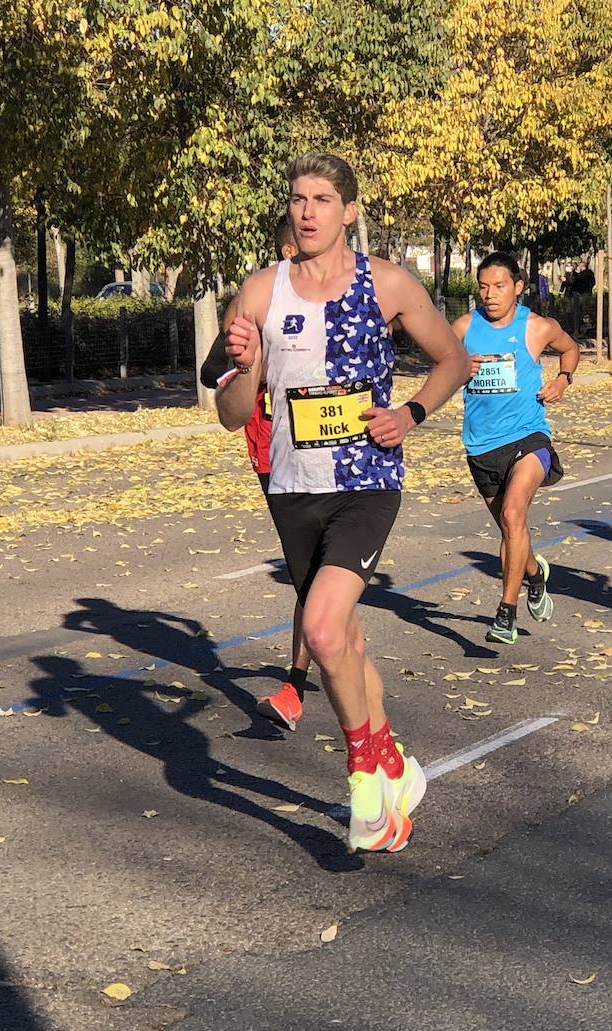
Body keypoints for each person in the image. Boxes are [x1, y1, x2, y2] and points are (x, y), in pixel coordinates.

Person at [216, 153, 470, 853]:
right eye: (298, 198)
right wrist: (246, 366)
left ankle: (365, 781)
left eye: (322, 199)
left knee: (324, 629)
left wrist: (413, 413)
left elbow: (453, 358)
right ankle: (396, 762)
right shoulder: (261, 292)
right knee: (347, 641)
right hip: (292, 487)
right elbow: (233, 413)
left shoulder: (385, 282)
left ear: (348, 211)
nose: (307, 211)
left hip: (366, 480)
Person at [204, 217, 315, 731]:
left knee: (316, 578)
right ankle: (304, 684)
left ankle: (298, 686)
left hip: (331, 451)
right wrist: (250, 359)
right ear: (288, 248)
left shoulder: (334, 300)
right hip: (273, 453)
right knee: (309, 576)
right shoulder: (255, 301)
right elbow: (210, 373)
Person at [451, 252, 579, 644]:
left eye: (499, 286)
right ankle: (536, 576)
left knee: (512, 512)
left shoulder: (537, 327)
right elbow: (439, 362)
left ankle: (506, 613)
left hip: (528, 437)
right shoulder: (463, 327)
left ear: (518, 288)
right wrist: (457, 367)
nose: (490, 295)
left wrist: (563, 379)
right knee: (511, 528)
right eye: (484, 287)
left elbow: (571, 349)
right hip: (480, 446)